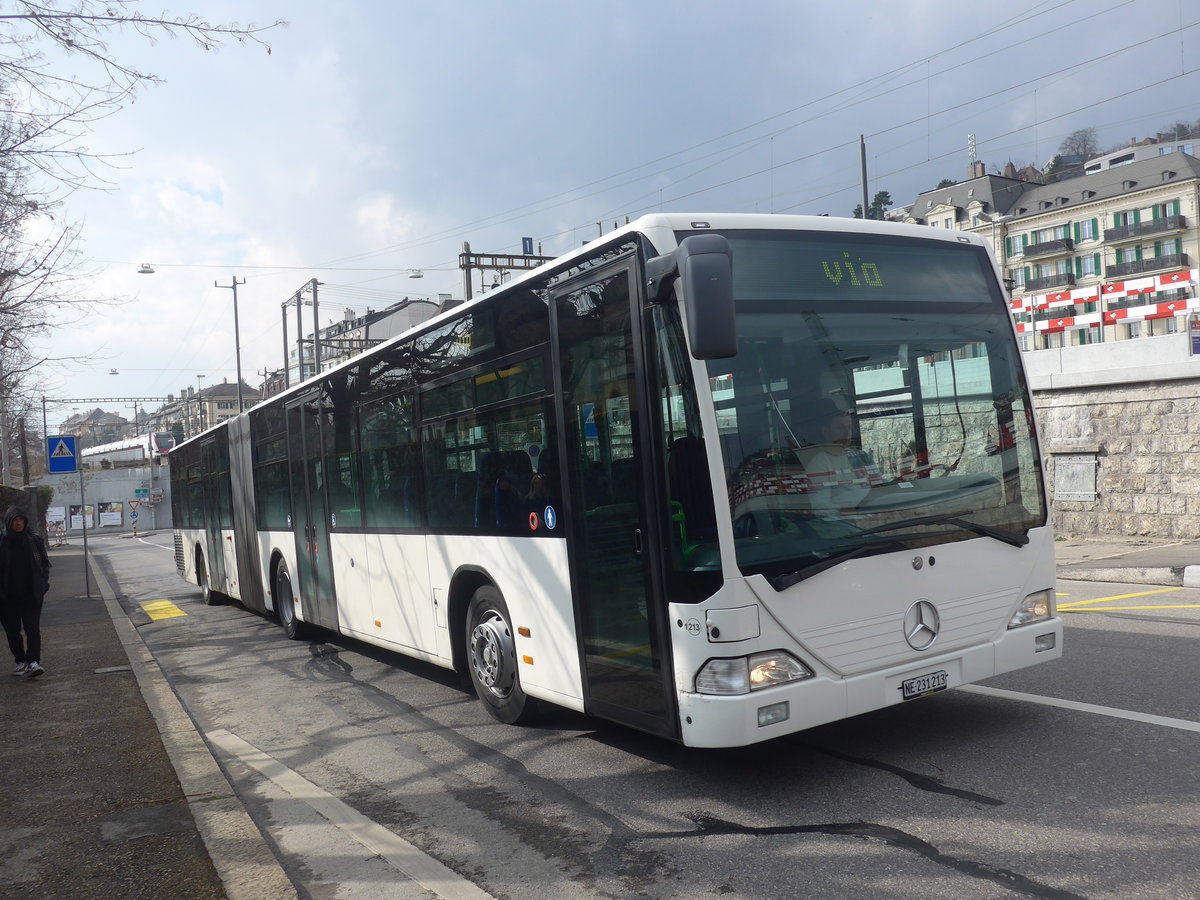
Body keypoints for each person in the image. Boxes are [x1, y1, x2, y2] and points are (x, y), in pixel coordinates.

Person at [796, 400, 873, 516]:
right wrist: (852, 512)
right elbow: (821, 507)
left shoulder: (862, 456)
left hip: (876, 515)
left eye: (849, 428)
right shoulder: (819, 464)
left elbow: (879, 488)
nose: (846, 433)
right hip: (847, 525)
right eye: (839, 428)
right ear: (826, 431)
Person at [0, 506, 51, 678]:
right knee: (12, 631)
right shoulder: (2, 542)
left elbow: (44, 565)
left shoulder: (34, 540)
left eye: (21, 519)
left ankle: (33, 662)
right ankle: (20, 660)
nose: (19, 523)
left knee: (32, 629)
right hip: (7, 597)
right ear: (8, 522)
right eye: (15, 520)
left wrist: (43, 585)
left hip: (31, 595)